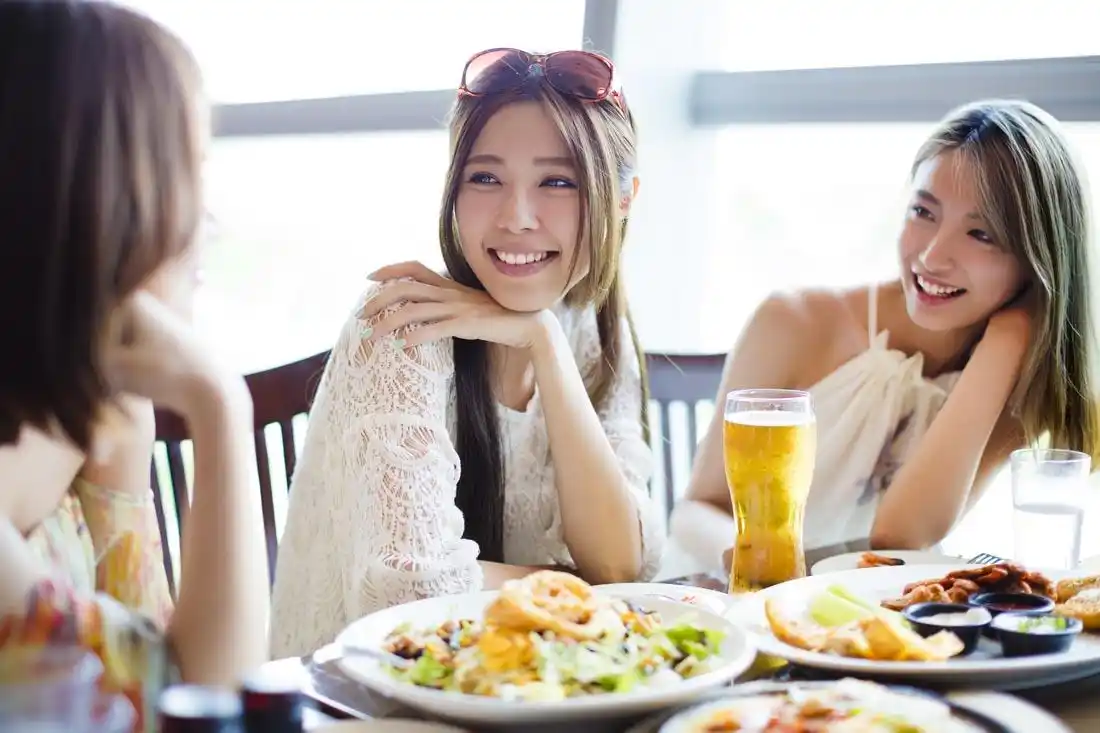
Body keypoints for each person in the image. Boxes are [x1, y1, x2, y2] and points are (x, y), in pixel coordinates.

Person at [271, 48, 663, 656]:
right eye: (485, 178)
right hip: (366, 689)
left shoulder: (585, 325)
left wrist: (544, 342)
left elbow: (618, 563)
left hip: (527, 682)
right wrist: (575, 590)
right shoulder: (403, 322)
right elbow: (413, 590)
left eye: (557, 182)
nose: (517, 217)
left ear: (622, 199)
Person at [672, 99, 1099, 570]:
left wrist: (1011, 337)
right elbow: (696, 509)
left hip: (864, 613)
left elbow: (903, 536)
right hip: (725, 596)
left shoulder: (1011, 378)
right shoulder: (794, 320)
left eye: (981, 234)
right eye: (923, 211)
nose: (932, 257)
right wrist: (760, 564)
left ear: (1039, 261)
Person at [0, 1, 268, 727]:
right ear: (98, 193)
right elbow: (197, 705)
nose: (209, 224)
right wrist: (220, 404)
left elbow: (185, 682)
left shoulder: (93, 406)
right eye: (188, 173)